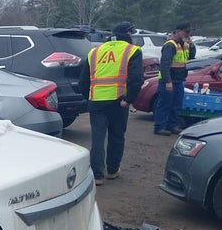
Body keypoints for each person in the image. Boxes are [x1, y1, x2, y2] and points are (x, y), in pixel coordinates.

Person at [79, 21, 143, 186]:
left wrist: (89, 97)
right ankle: (112, 170)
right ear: (127, 34)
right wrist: (129, 99)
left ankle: (97, 175)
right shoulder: (132, 50)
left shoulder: (94, 51)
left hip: (96, 102)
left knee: (98, 138)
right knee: (116, 136)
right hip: (118, 101)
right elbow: (136, 79)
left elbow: (83, 81)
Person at [153, 22, 196, 135]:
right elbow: (164, 65)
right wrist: (168, 81)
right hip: (169, 80)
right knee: (164, 104)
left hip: (179, 79)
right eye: (186, 32)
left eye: (189, 32)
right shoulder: (170, 45)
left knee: (176, 105)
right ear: (178, 31)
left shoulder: (184, 44)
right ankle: (159, 127)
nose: (188, 34)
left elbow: (191, 57)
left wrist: (192, 46)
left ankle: (171, 125)